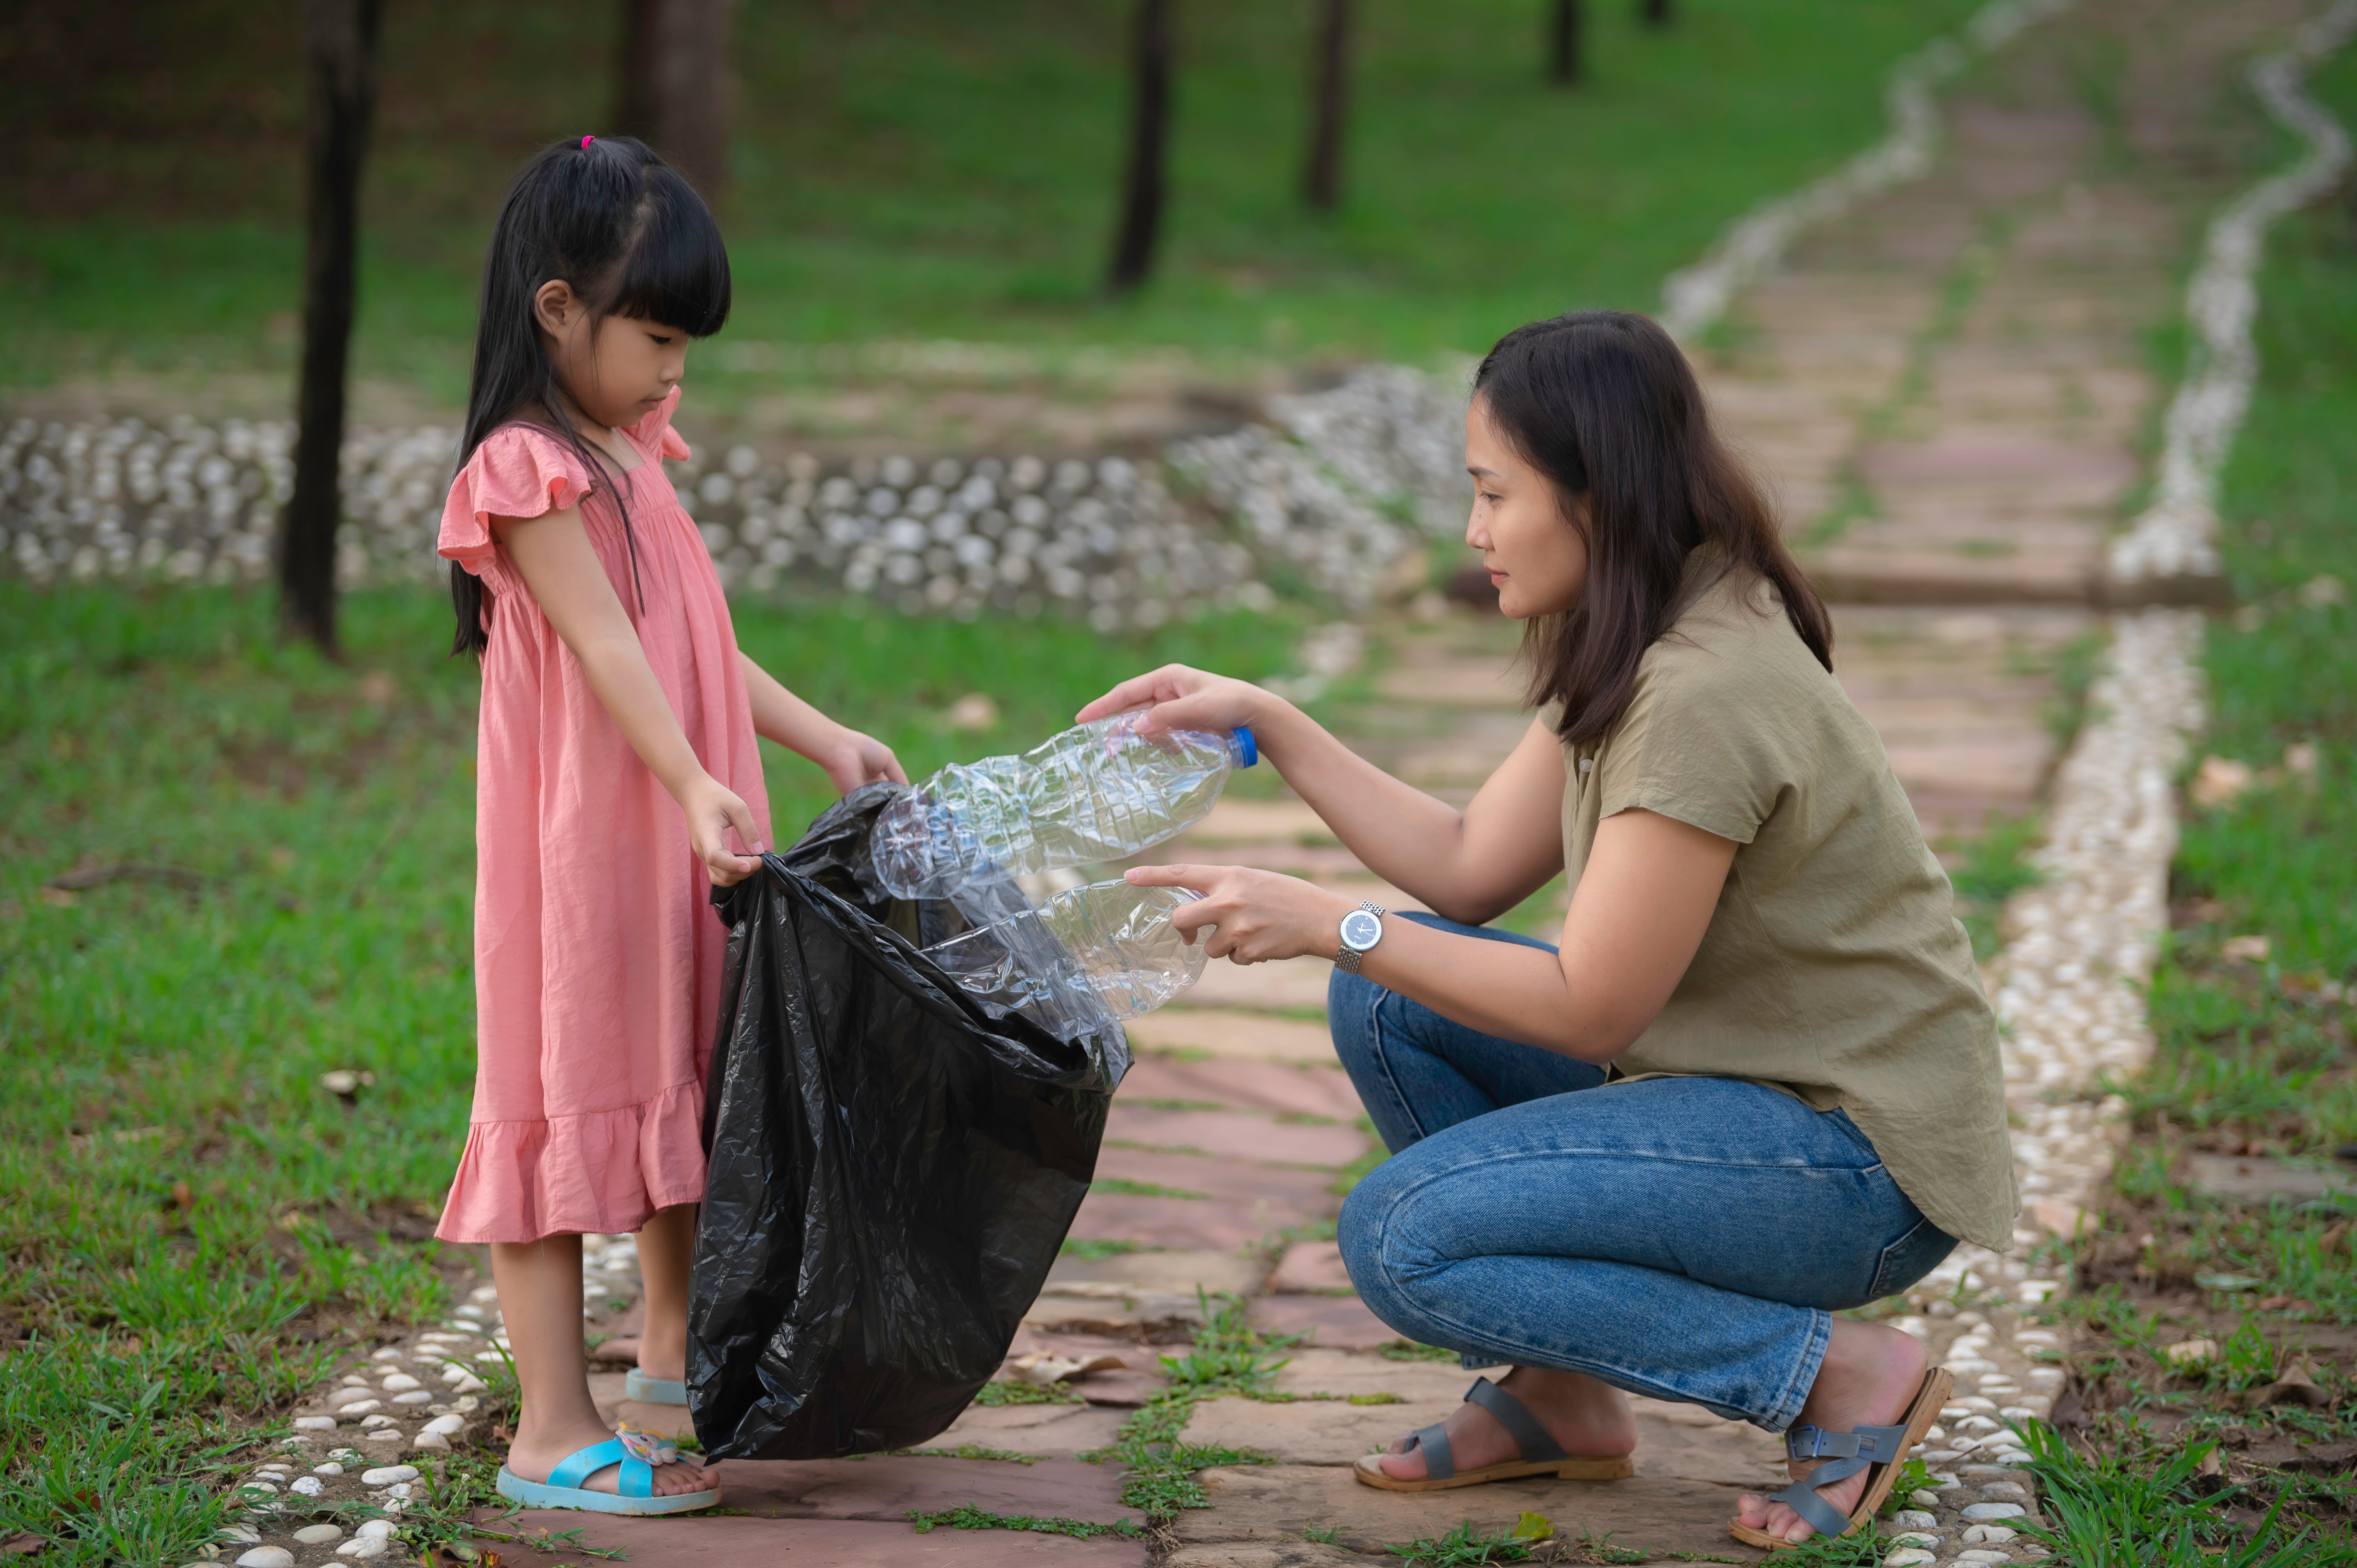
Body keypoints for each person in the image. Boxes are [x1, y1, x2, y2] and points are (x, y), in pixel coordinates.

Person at [1080, 310, 2015, 1547]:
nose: (1473, 532)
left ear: (1597, 494)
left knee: (1403, 1237)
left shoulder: (1700, 689)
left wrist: (1330, 920)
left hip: (1854, 1162)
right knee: (1395, 997)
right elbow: (1469, 871)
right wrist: (1274, 723)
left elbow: (1594, 1009)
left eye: (1494, 493)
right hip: (1749, 1097)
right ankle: (1561, 1396)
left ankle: (1837, 1376)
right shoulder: (1641, 626)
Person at [433, 135, 905, 1515]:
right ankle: (547, 1429)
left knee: (679, 1084)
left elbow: (694, 635)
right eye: (656, 338)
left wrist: (812, 735)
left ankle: (669, 1360)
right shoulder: (527, 469)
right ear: (557, 310)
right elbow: (605, 649)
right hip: (590, 850)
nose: (675, 372)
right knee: (558, 1098)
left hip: (675, 835)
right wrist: (697, 781)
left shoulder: (627, 448)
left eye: (689, 346)